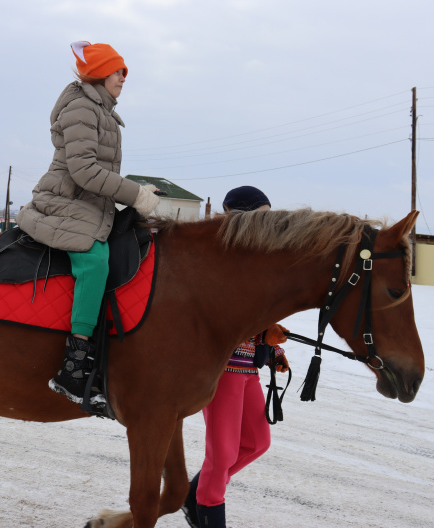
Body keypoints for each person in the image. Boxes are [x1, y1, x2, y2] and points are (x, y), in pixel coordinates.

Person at [15, 41, 161, 405]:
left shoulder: (103, 111)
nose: (123, 78)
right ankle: (74, 365)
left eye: (124, 72)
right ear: (99, 74)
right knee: (94, 261)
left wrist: (138, 195)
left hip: (91, 203)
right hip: (66, 202)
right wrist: (135, 194)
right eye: (117, 72)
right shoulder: (82, 107)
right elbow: (83, 171)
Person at [182, 186, 291, 528]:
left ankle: (196, 492)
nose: (269, 223)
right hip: (221, 368)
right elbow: (218, 312)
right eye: (263, 215)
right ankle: (208, 509)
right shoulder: (219, 257)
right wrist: (258, 328)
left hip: (248, 369)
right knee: (223, 454)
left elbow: (258, 314)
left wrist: (272, 347)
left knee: (257, 442)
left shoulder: (256, 261)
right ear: (243, 218)